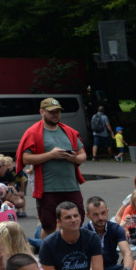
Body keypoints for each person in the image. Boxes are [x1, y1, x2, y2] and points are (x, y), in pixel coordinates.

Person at [16, 97, 87, 238]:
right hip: (48, 189)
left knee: (76, 222)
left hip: (71, 186)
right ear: (42, 112)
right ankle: (47, 255)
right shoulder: (33, 132)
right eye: (52, 112)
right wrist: (51, 155)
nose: (56, 115)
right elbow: (25, 158)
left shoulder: (69, 131)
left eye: (58, 111)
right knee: (49, 226)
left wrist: (73, 158)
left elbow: (83, 155)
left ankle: (71, 250)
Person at [39, 201, 126, 270]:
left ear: (81, 217)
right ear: (59, 222)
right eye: (68, 217)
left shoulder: (92, 238)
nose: (73, 220)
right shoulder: (48, 244)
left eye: (76, 216)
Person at [82, 196, 133, 270]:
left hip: (111, 269)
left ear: (107, 211)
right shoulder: (83, 232)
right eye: (95, 214)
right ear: (88, 215)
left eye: (103, 213)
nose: (101, 217)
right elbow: (85, 262)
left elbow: (127, 252)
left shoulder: (116, 228)